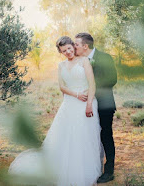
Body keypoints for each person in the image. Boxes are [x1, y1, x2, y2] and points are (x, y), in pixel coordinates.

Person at [8, 36, 101, 186]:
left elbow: (92, 84)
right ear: (61, 52)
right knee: (64, 136)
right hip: (69, 103)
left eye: (70, 48)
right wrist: (76, 95)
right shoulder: (61, 65)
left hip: (86, 104)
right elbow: (62, 87)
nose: (68, 52)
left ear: (73, 46)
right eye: (64, 51)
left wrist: (89, 104)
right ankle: (63, 169)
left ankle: (83, 171)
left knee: (83, 136)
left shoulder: (84, 61)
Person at [74, 33, 117, 183]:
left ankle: (109, 171)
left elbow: (112, 80)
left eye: (76, 44)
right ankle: (89, 166)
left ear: (85, 46)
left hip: (104, 104)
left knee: (106, 136)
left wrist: (91, 91)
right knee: (87, 135)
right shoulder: (77, 60)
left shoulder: (105, 58)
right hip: (84, 105)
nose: (74, 47)